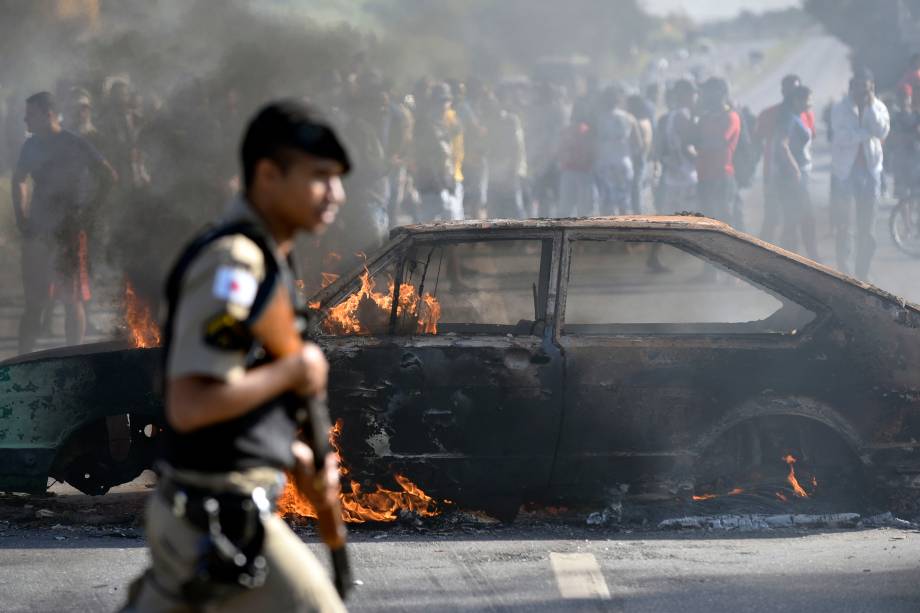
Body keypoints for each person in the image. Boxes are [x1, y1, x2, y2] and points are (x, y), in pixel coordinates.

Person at [122, 101, 348, 612]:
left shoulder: (267, 259)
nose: (337, 194)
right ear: (268, 175)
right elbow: (193, 403)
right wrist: (297, 369)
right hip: (216, 519)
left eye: (338, 177)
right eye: (319, 177)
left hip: (209, 514)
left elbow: (232, 390)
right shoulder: (236, 264)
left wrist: (289, 453)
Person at [11, 91, 117, 355]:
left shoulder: (74, 143)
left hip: (69, 231)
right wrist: (21, 216)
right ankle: (23, 361)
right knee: (35, 302)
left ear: (48, 114)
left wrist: (90, 209)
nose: (25, 120)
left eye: (30, 114)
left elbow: (108, 174)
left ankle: (73, 358)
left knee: (72, 299)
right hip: (38, 231)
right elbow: (19, 179)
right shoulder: (31, 145)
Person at [830, 71, 890, 280]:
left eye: (867, 87)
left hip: (871, 172)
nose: (862, 91)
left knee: (868, 229)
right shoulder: (840, 108)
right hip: (844, 173)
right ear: (851, 87)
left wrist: (871, 105)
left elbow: (882, 131)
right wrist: (866, 133)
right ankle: (844, 275)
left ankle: (862, 274)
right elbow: (842, 137)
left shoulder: (879, 107)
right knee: (844, 226)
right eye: (858, 86)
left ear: (872, 87)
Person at [755, 74, 816, 243]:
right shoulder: (770, 114)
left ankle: (802, 255)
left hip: (800, 173)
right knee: (773, 217)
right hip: (774, 172)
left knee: (799, 216)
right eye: (787, 89)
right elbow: (758, 139)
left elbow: (811, 139)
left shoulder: (806, 114)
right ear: (782, 91)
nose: (790, 92)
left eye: (794, 89)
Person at [773, 85, 818, 259]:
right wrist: (795, 168)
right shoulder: (789, 119)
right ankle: (803, 257)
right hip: (791, 177)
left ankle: (794, 257)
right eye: (807, 100)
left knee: (796, 218)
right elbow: (782, 145)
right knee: (803, 217)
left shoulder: (799, 117)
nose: (810, 103)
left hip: (798, 175)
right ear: (797, 101)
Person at [694, 77, 741, 223]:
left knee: (724, 220)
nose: (705, 95)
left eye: (708, 91)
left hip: (721, 177)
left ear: (720, 93)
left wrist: (698, 144)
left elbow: (718, 142)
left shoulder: (730, 117)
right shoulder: (704, 117)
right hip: (704, 177)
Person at [594, 85, 642, 215]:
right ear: (618, 100)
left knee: (606, 204)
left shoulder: (598, 119)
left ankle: (605, 232)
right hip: (623, 163)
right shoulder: (629, 118)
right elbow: (638, 144)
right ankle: (623, 233)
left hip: (605, 164)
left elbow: (594, 143)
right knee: (623, 203)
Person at [654, 79, 698, 213]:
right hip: (685, 177)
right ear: (686, 95)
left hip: (673, 177)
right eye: (693, 94)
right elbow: (689, 144)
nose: (695, 97)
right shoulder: (682, 115)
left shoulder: (671, 116)